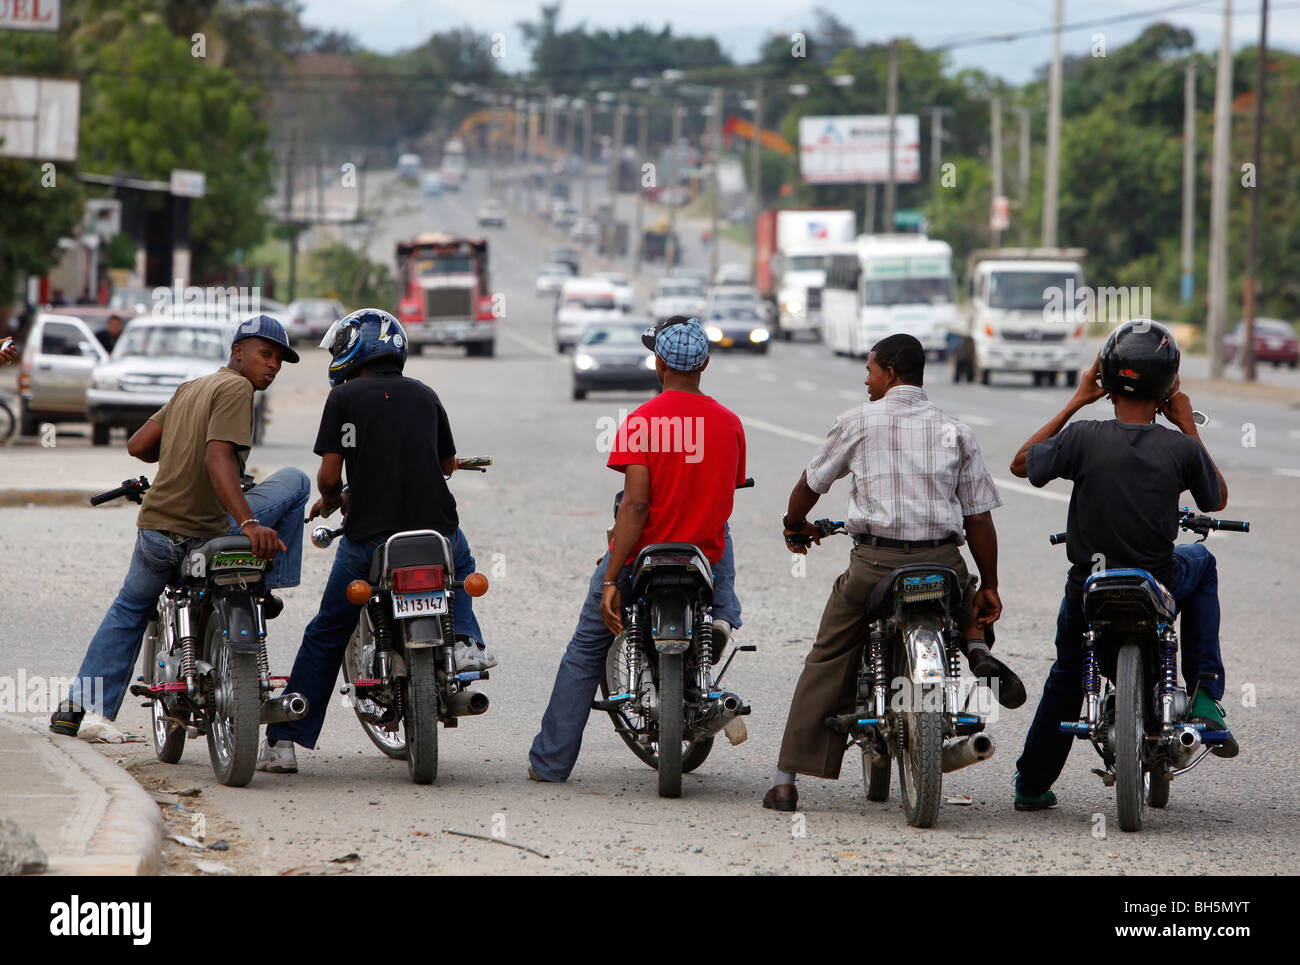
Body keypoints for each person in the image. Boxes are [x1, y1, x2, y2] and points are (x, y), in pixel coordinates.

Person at [764, 333, 1020, 812]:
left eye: (870, 370)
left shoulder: (858, 421)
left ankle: (785, 780)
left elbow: (811, 483)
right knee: (970, 599)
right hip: (941, 563)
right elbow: (979, 519)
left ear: (891, 374)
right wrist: (993, 585)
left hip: (875, 566)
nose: (866, 380)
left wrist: (794, 524)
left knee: (828, 655)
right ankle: (976, 646)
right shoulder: (955, 430)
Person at [1009, 319, 1236, 812]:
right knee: (1204, 560)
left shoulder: (1083, 437)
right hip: (1157, 581)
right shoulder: (1179, 448)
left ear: (1105, 383)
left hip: (1088, 585)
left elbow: (1021, 464)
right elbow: (1215, 498)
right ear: (1169, 388)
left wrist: (1075, 400)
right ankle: (1204, 694)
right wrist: (1187, 423)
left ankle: (1031, 785)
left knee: (1070, 673)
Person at [50, 315, 309, 736]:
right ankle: (266, 587)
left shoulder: (190, 387)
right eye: (266, 354)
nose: (273, 366)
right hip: (204, 530)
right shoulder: (238, 388)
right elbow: (217, 458)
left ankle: (74, 708)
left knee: (129, 610)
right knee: (296, 480)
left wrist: (177, 459)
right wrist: (247, 521)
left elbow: (139, 446)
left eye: (279, 359)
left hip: (155, 530)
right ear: (237, 351)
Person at [259, 308, 490, 774]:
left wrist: (331, 499)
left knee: (328, 630)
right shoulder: (425, 396)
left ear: (355, 351)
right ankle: (466, 643)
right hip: (437, 531)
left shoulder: (344, 399)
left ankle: (284, 742)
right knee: (461, 575)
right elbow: (446, 465)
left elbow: (329, 474)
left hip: (370, 539)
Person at [528, 315, 747, 782]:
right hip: (704, 558)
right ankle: (721, 622)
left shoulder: (642, 422)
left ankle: (550, 764)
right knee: (722, 538)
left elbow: (636, 506)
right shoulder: (730, 425)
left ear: (658, 363)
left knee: (586, 648)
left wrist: (611, 576)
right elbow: (723, 494)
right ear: (705, 363)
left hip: (645, 557)